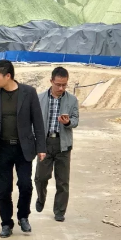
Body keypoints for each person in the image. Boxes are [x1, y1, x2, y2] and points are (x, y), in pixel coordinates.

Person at [0, 60, 46, 238]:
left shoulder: (28, 93)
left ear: (8, 76)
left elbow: (38, 122)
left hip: (23, 148)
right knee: (4, 189)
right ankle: (6, 223)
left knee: (25, 185)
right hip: (2, 149)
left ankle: (23, 216)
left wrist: (41, 147)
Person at [34, 66, 79, 222]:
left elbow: (76, 120)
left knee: (63, 181)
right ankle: (41, 197)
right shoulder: (39, 98)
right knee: (40, 177)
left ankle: (59, 211)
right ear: (51, 81)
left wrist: (68, 122)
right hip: (45, 143)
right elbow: (33, 121)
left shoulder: (72, 100)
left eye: (64, 85)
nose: (61, 88)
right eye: (58, 84)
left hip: (63, 144)